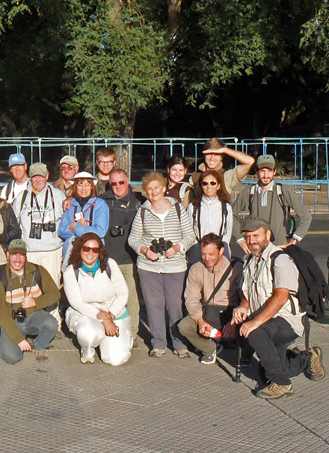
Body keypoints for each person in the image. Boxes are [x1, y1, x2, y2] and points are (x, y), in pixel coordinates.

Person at [231, 219, 325, 399]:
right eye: (248, 237)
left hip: (288, 320)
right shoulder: (249, 260)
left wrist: (255, 322)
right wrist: (243, 305)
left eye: (256, 235)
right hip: (267, 322)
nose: (251, 240)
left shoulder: (280, 260)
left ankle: (282, 384)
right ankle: (308, 360)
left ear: (267, 235)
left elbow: (280, 297)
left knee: (255, 333)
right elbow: (246, 292)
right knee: (267, 372)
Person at [128, 171, 196, 358]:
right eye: (149, 189)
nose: (153, 192)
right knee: (154, 305)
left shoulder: (177, 209)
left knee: (175, 305)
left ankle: (179, 343)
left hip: (175, 266)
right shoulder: (143, 211)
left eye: (156, 187)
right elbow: (133, 239)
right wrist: (145, 250)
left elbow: (190, 235)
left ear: (164, 188)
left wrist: (177, 247)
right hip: (148, 267)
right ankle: (158, 343)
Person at [63, 233, 132, 365]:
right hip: (85, 313)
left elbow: (123, 292)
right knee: (89, 334)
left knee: (115, 360)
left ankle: (112, 340)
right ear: (79, 249)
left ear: (100, 251)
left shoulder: (110, 264)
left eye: (95, 249)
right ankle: (87, 349)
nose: (90, 253)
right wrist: (104, 319)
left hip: (113, 311)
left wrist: (111, 314)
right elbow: (77, 303)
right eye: (86, 248)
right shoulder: (71, 271)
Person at [177, 233, 241, 364]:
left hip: (230, 313)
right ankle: (210, 348)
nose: (207, 258)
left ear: (221, 251)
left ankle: (244, 353)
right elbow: (191, 299)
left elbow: (245, 299)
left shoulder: (237, 268)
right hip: (208, 312)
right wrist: (200, 321)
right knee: (183, 326)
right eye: (203, 254)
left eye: (211, 254)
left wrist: (233, 323)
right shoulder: (196, 268)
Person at [0, 239, 60, 364]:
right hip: (12, 320)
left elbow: (55, 294)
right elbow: (0, 311)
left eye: (21, 255)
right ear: (7, 255)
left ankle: (40, 346)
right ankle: (10, 337)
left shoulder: (38, 271)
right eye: (14, 255)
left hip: (34, 316)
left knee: (51, 324)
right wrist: (18, 339)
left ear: (26, 257)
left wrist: (36, 302)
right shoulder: (0, 277)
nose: (17, 259)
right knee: (12, 358)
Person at [233, 154, 312, 255]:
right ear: (256, 171)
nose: (266, 175)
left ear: (274, 171)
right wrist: (240, 240)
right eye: (262, 171)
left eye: (269, 171)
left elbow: (306, 216)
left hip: (279, 249)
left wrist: (293, 241)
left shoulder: (283, 190)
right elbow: (232, 215)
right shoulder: (249, 191)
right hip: (257, 250)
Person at [100, 168, 145, 344]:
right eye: (113, 183)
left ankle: (132, 333)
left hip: (128, 260)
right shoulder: (102, 200)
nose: (118, 186)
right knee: (105, 298)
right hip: (106, 259)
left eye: (121, 182)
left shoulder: (139, 201)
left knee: (131, 298)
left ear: (128, 182)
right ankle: (105, 331)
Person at [14, 163, 65, 297]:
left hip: (52, 251)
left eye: (40, 176)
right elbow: (14, 222)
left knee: (52, 287)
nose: (37, 180)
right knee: (30, 289)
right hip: (30, 251)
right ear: (30, 178)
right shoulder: (21, 197)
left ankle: (54, 311)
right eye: (34, 177)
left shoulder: (58, 195)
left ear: (47, 176)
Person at [58, 171, 109, 261]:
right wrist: (83, 230)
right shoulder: (70, 204)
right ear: (75, 186)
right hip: (71, 252)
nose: (83, 188)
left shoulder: (100, 204)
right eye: (80, 185)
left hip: (92, 253)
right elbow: (61, 231)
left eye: (87, 185)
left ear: (92, 186)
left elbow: (100, 231)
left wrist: (76, 228)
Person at [186, 169, 233, 265]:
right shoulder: (193, 207)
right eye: (205, 183)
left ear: (218, 186)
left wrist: (222, 245)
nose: (209, 186)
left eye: (213, 183)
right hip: (198, 249)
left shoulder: (226, 207)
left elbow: (228, 230)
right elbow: (189, 229)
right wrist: (195, 245)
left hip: (219, 249)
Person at [190, 137, 255, 194]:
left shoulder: (227, 176)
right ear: (204, 155)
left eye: (216, 154)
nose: (212, 158)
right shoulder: (195, 176)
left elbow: (250, 161)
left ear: (222, 156)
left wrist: (225, 150)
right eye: (209, 154)